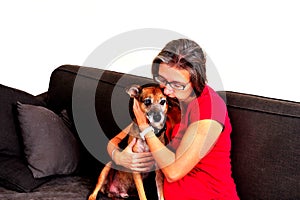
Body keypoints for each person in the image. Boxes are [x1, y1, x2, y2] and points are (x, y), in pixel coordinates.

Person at [107, 38, 239, 199]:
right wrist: (120, 158)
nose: (167, 90)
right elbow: (114, 141)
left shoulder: (210, 109)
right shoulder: (167, 103)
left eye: (177, 84)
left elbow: (173, 172)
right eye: (162, 80)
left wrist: (145, 127)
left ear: (197, 81)